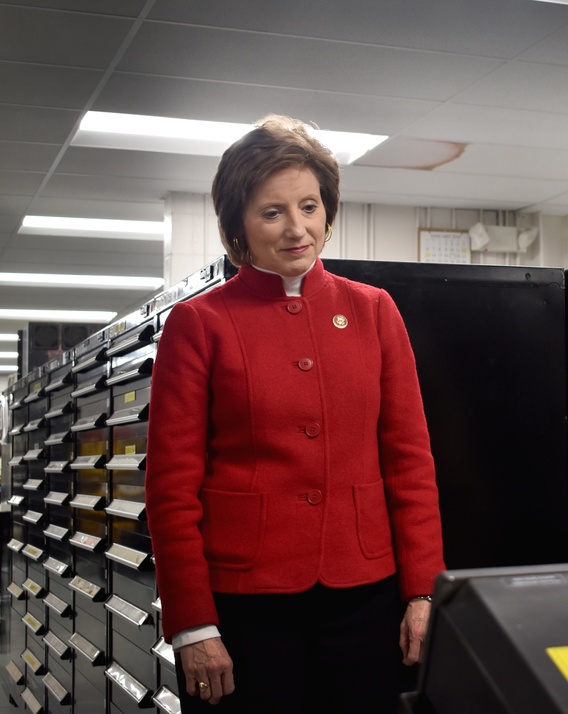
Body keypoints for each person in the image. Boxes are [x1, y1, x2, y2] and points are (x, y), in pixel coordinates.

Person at [144, 114, 446, 713]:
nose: (296, 228)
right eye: (272, 212)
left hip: (365, 592)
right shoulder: (199, 324)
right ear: (238, 223)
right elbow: (170, 488)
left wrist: (423, 592)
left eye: (309, 206)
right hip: (244, 604)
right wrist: (193, 625)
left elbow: (410, 461)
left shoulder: (374, 311)